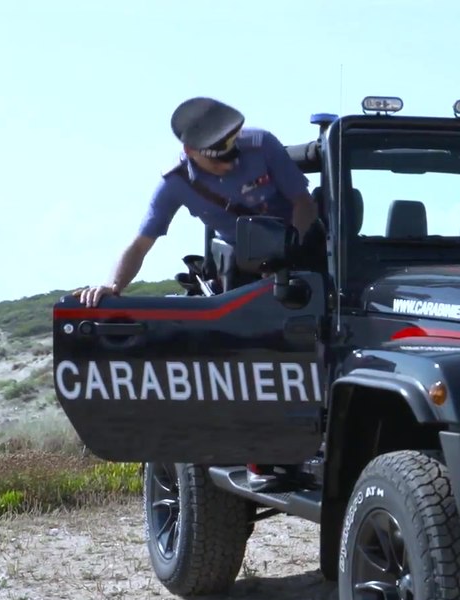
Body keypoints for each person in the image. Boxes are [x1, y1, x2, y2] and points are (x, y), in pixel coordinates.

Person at [74, 97, 320, 493]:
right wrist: (112, 287)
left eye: (233, 151)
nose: (231, 162)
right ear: (190, 153)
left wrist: (292, 253)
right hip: (242, 264)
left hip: (299, 248)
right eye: (220, 159)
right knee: (252, 355)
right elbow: (140, 244)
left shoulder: (261, 145)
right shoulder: (175, 183)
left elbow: (303, 203)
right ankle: (263, 456)